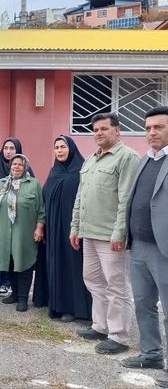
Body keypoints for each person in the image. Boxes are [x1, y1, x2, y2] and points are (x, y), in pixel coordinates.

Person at [70, 112, 140, 355]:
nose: (98, 133)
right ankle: (100, 326)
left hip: (111, 236)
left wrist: (120, 232)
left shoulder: (127, 158)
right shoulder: (91, 159)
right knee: (93, 281)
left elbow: (126, 200)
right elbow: (81, 196)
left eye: (104, 129)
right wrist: (75, 226)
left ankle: (119, 336)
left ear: (117, 130)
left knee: (117, 286)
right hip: (89, 233)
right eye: (96, 130)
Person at [120, 106, 168, 386]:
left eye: (158, 127)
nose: (151, 133)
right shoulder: (145, 160)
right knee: (143, 305)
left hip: (164, 249)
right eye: (148, 128)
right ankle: (151, 353)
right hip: (138, 246)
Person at [43, 135, 92, 322]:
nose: (60, 150)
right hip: (54, 229)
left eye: (63, 147)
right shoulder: (53, 172)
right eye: (56, 147)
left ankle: (75, 308)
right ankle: (58, 305)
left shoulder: (81, 171)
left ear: (71, 149)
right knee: (57, 265)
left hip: (73, 229)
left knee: (73, 266)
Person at [0, 154, 45, 312]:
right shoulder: (1, 184)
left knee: (24, 263)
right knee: (10, 263)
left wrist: (39, 228)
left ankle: (23, 298)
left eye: (20, 165)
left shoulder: (33, 184)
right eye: (14, 164)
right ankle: (14, 294)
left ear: (25, 167)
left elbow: (41, 209)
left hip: (25, 232)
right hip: (4, 232)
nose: (16, 167)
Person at [0, 138, 33, 299]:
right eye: (5, 148)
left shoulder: (28, 173)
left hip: (19, 223)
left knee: (13, 253)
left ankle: (7, 283)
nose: (8, 151)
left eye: (12, 148)